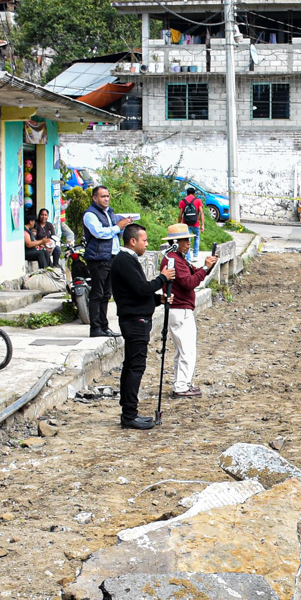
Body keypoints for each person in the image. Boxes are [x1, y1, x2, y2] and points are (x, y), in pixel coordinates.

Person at [110, 223, 169, 429]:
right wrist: (163, 279)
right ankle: (129, 414)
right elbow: (141, 288)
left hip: (135, 317)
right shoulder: (125, 260)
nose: (146, 244)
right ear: (132, 241)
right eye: (144, 240)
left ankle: (129, 410)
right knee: (135, 367)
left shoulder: (128, 260)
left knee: (131, 366)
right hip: (135, 321)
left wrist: (157, 300)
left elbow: (136, 293)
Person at [160, 222, 215, 397]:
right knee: (187, 350)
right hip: (181, 309)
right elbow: (189, 282)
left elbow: (192, 274)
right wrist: (205, 268)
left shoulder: (175, 258)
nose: (188, 244)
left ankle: (181, 382)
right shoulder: (175, 260)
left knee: (181, 350)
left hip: (177, 308)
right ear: (175, 242)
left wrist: (206, 269)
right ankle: (182, 386)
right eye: (185, 241)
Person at [81, 186, 137, 337]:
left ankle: (104, 327)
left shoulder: (109, 212)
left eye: (107, 196)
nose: (106, 199)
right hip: (98, 258)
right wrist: (117, 227)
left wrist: (124, 225)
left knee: (107, 294)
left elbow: (116, 232)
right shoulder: (90, 214)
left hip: (111, 257)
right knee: (97, 293)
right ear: (95, 198)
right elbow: (99, 233)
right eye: (102, 196)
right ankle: (95, 328)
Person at [23, 208, 60, 273]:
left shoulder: (49, 225)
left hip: (38, 247)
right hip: (27, 252)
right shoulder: (25, 231)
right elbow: (29, 244)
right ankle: (45, 271)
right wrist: (42, 242)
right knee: (40, 253)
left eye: (45, 215)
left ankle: (51, 270)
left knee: (45, 252)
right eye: (42, 215)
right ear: (31, 222)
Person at [177, 184, 205, 256]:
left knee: (187, 240)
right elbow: (201, 212)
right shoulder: (198, 201)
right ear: (194, 193)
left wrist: (179, 224)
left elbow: (180, 214)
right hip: (195, 223)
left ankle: (188, 257)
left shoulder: (183, 201)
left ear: (187, 193)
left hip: (186, 224)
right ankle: (195, 255)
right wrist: (202, 225)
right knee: (197, 238)